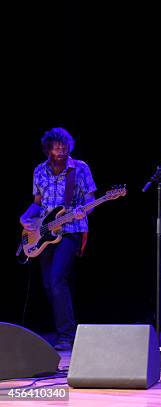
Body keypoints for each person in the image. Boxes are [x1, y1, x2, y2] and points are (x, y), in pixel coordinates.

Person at [19, 127, 96, 351]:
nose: (61, 149)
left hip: (71, 229)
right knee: (49, 284)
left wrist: (84, 210)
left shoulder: (80, 168)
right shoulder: (39, 170)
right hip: (43, 232)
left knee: (56, 279)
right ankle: (68, 330)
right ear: (48, 148)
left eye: (64, 145)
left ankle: (66, 334)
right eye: (56, 146)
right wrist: (25, 217)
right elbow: (37, 202)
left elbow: (90, 198)